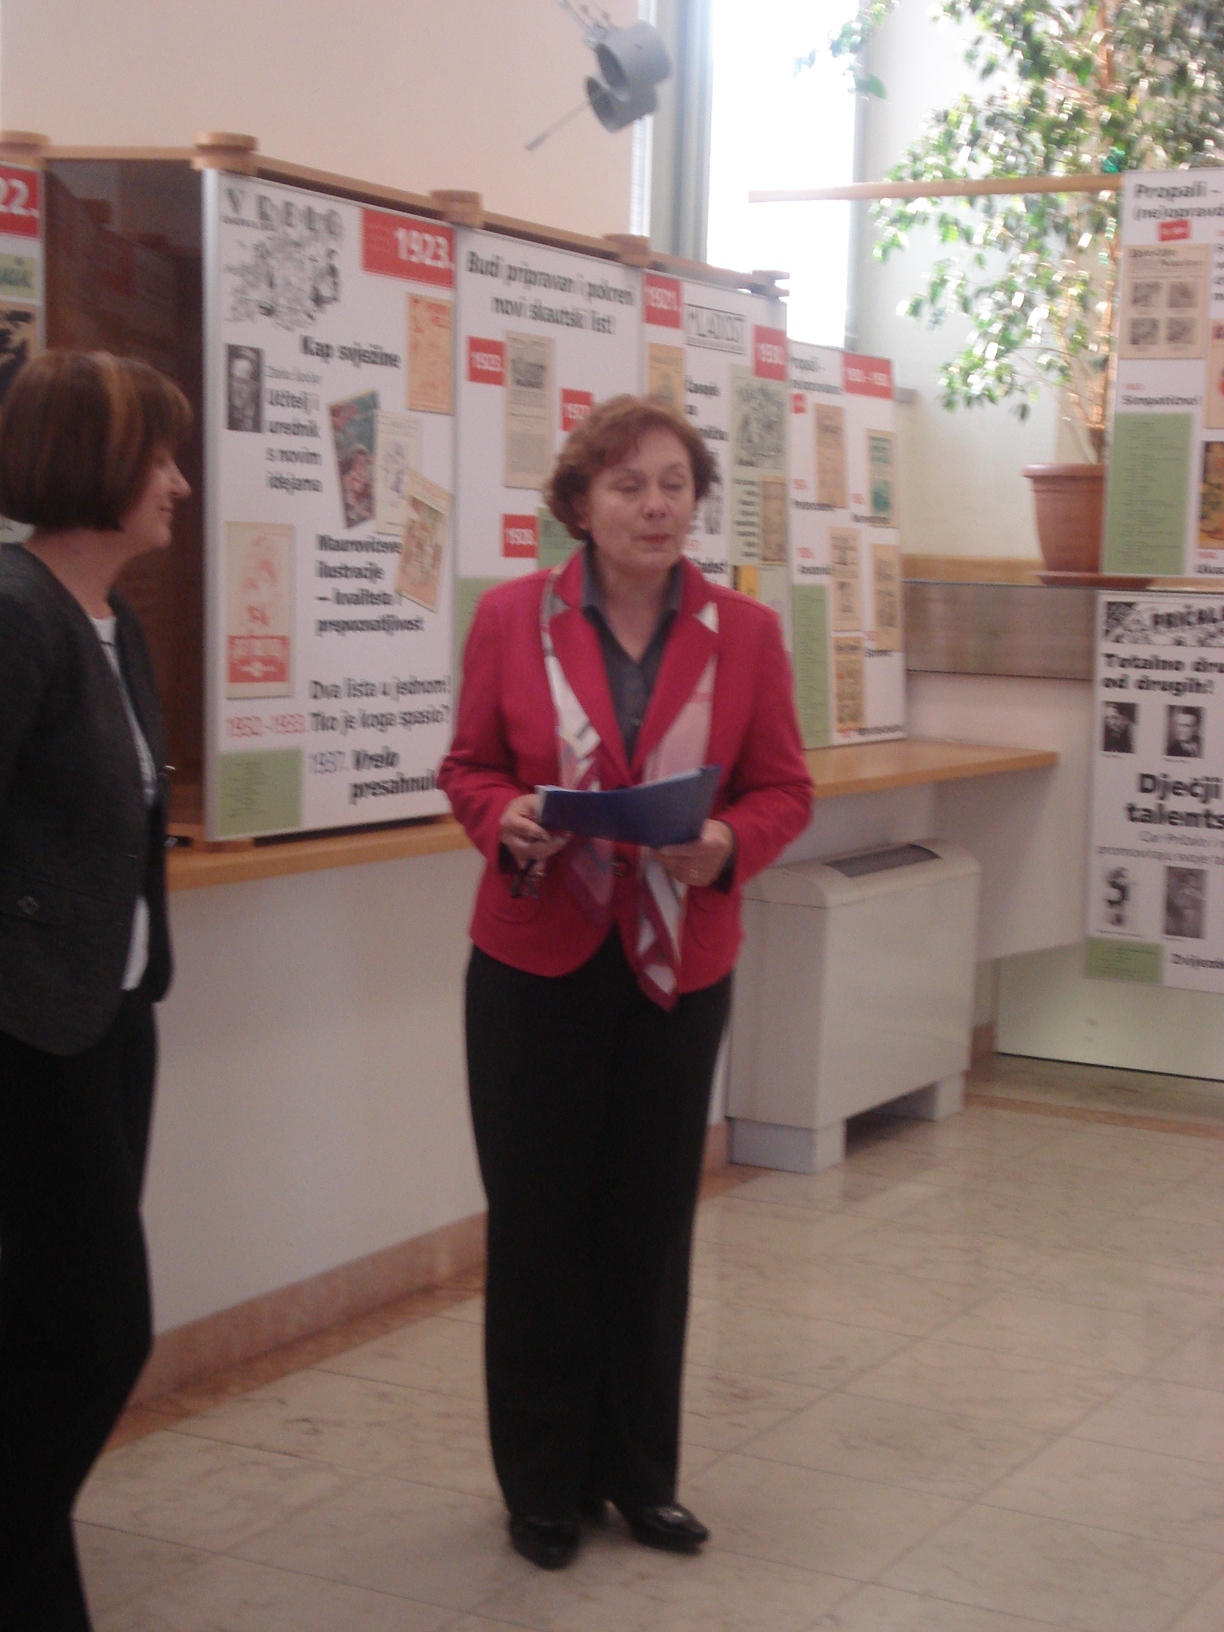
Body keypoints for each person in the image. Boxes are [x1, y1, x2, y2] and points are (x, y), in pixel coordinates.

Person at [438, 395, 814, 1571]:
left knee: (648, 1226)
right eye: (627, 485)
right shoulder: (513, 617)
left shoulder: (745, 631)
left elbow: (784, 787)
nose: (655, 506)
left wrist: (730, 843)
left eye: (673, 485)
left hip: (678, 963)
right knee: (540, 1225)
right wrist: (507, 818)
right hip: (534, 958)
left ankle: (641, 1477)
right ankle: (544, 1485)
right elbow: (468, 767)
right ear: (578, 504)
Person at [0, 350, 192, 1632]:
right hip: (31, 1029)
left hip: (113, 1014)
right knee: (99, 1329)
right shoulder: (15, 612)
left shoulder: (109, 624)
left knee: (47, 1326)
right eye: (159, 457)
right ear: (96, 463)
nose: (178, 484)